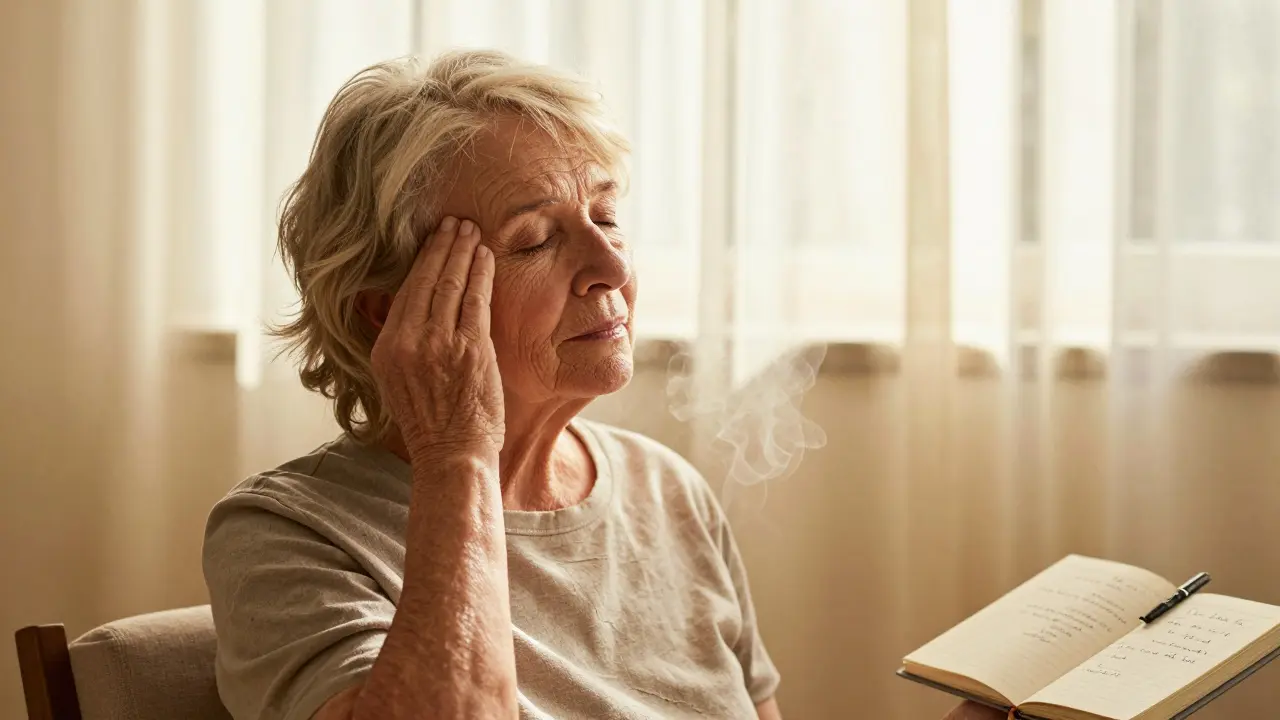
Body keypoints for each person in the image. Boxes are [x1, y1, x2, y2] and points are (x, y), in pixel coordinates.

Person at [201, 49, 999, 720]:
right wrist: (456, 453)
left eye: (607, 218)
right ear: (389, 313)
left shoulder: (667, 491)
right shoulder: (284, 536)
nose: (612, 268)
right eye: (537, 239)